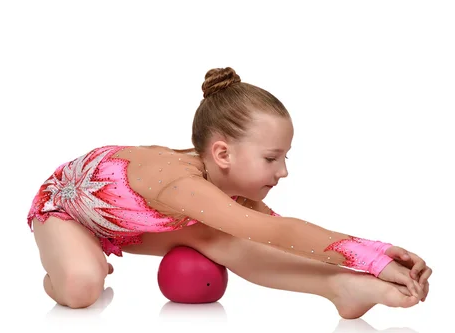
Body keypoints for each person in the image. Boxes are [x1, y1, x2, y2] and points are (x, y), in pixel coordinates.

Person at [27, 67, 432, 318]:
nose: (284, 171)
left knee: (225, 238)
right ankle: (68, 268)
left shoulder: (211, 185)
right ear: (222, 153)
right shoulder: (181, 185)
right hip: (66, 211)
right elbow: (283, 233)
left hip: (133, 221)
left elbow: (270, 237)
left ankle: (339, 288)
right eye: (272, 158)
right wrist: (374, 256)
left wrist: (360, 269)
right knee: (81, 287)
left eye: (285, 157)